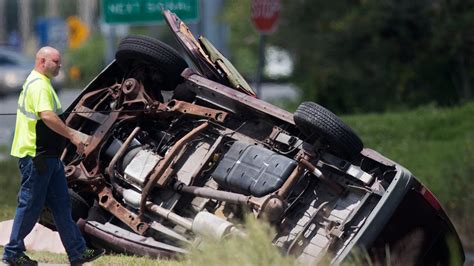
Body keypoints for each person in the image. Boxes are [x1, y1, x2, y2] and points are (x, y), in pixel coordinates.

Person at [2, 47, 104, 265]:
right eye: (56, 62)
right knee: (30, 205)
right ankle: (12, 252)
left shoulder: (40, 82)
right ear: (41, 61)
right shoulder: (39, 85)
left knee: (61, 207)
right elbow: (47, 116)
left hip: (49, 158)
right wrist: (74, 137)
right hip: (37, 157)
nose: (60, 65)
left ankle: (77, 252)